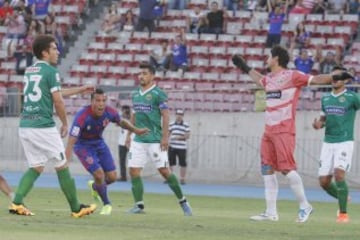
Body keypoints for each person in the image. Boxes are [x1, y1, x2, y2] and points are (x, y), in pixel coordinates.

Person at [232, 45, 353, 223]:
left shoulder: (292, 76)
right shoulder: (270, 79)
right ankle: (271, 212)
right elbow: (259, 80)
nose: (267, 59)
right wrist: (244, 67)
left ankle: (305, 206)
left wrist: (336, 76)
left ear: (276, 59)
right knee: (267, 169)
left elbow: (316, 79)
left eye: (269, 56)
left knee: (287, 169)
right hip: (269, 130)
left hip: (284, 129)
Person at [9, 34, 96, 217]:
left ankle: (17, 203)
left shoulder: (31, 70)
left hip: (26, 124)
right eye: (54, 48)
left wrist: (81, 89)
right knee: (62, 164)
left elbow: (55, 92)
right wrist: (65, 123)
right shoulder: (50, 71)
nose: (58, 51)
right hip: (43, 126)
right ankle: (76, 208)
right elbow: (58, 101)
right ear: (45, 52)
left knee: (36, 166)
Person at [65, 89, 148, 215]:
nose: (101, 104)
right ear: (91, 102)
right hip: (83, 146)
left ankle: (95, 187)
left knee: (113, 177)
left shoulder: (109, 112)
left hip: (99, 143)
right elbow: (72, 138)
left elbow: (121, 122)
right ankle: (106, 204)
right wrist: (67, 156)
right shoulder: (82, 116)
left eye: (103, 101)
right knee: (99, 175)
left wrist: (136, 130)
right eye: (97, 101)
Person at [126, 62, 192, 216]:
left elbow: (166, 115)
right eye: (140, 74)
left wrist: (165, 137)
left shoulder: (158, 93)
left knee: (164, 171)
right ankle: (139, 205)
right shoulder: (135, 94)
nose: (141, 76)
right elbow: (134, 115)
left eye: (145, 73)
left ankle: (183, 201)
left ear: (152, 76)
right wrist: (130, 134)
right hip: (138, 141)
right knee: (134, 171)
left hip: (155, 140)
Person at [312, 66, 359, 223]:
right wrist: (318, 124)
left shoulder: (352, 97)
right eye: (333, 76)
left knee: (339, 174)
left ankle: (343, 214)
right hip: (328, 142)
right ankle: (343, 197)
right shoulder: (325, 99)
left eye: (339, 76)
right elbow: (323, 120)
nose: (335, 79)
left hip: (344, 141)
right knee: (324, 182)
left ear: (345, 79)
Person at [168, 109, 190, 185]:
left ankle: (182, 179)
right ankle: (171, 178)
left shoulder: (186, 124)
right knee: (170, 163)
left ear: (182, 116)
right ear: (175, 115)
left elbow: (187, 136)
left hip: (182, 147)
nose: (179, 116)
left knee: (183, 163)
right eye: (178, 114)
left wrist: (178, 137)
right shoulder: (171, 124)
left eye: (181, 114)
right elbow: (168, 134)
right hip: (172, 146)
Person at [117, 105, 133, 182]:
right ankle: (123, 176)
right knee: (122, 161)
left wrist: (129, 116)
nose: (126, 112)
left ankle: (134, 176)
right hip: (121, 143)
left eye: (127, 110)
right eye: (124, 110)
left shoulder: (132, 119)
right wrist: (122, 115)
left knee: (132, 160)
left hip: (131, 143)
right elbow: (116, 124)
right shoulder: (121, 119)